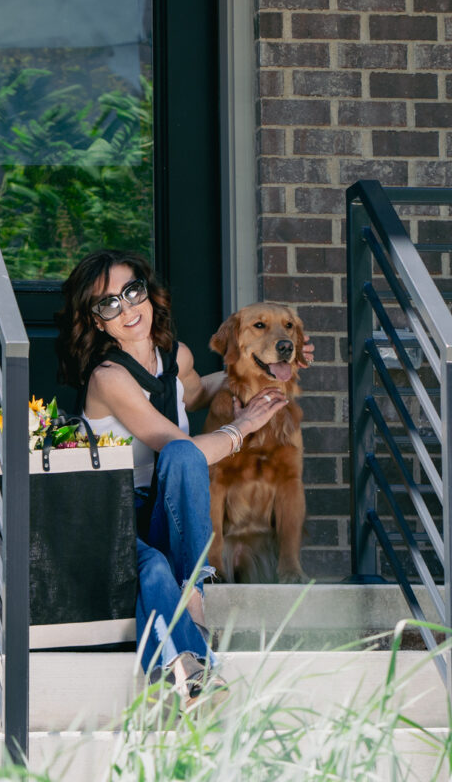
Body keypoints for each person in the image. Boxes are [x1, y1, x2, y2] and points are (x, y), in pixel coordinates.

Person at [56, 249, 291, 706]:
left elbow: (201, 390)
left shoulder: (175, 356)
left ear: (147, 291)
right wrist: (242, 427)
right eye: (109, 304)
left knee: (182, 465)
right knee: (159, 553)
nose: (127, 309)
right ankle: (192, 648)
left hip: (166, 513)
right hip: (112, 516)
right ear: (96, 321)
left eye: (132, 291)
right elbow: (176, 444)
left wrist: (266, 366)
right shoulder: (109, 378)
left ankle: (187, 621)